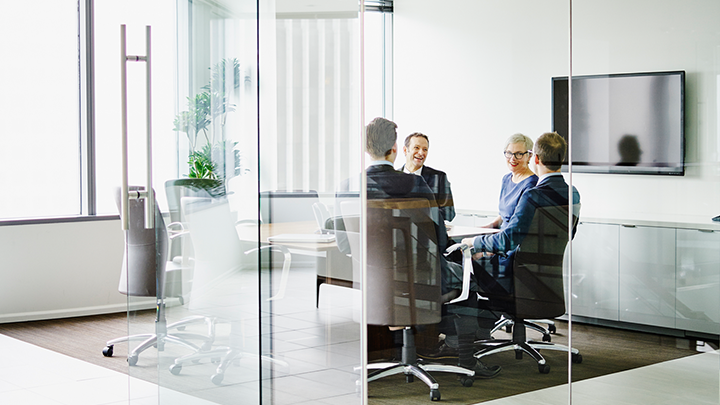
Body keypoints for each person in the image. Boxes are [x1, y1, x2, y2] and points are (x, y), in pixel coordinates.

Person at [342, 117, 501, 378]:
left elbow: (345, 243)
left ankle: (400, 352)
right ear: (396, 148)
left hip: (376, 283)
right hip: (420, 280)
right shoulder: (416, 185)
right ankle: (466, 361)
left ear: (366, 149)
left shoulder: (349, 187)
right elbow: (440, 240)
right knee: (468, 279)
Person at [462, 132, 581, 294]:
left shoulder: (532, 194)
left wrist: (473, 242)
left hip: (514, 272)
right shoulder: (572, 193)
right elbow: (569, 234)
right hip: (544, 276)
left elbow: (508, 240)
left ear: (536, 158)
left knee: (462, 262)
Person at [400, 133, 456, 223]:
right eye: (416, 148)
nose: (421, 153)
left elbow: (449, 213)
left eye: (425, 149)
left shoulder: (439, 177)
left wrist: (420, 213)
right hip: (397, 232)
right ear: (405, 150)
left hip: (428, 233)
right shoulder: (392, 177)